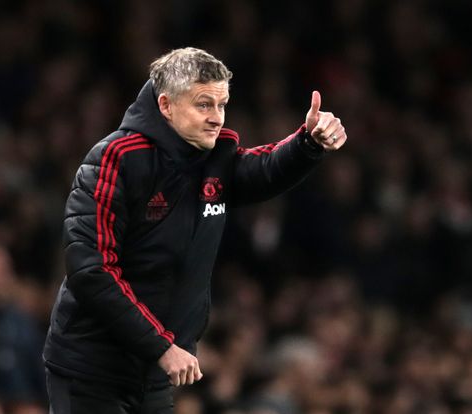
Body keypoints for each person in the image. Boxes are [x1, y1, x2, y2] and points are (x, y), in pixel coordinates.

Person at [43, 47, 347, 413]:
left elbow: (263, 170)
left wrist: (308, 143)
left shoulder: (214, 159)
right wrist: (161, 346)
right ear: (167, 105)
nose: (217, 118)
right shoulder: (117, 158)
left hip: (154, 372)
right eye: (204, 104)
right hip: (91, 368)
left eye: (222, 105)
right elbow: (91, 269)